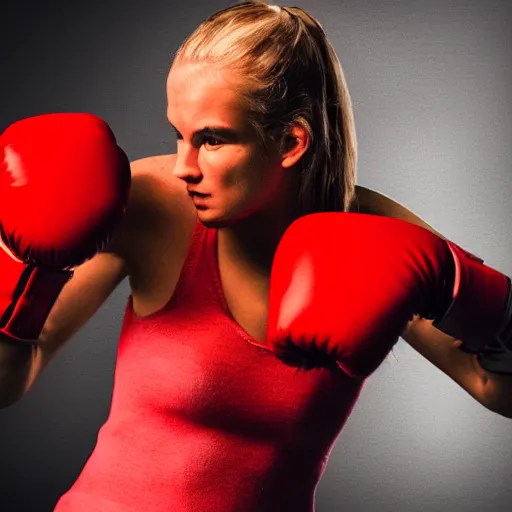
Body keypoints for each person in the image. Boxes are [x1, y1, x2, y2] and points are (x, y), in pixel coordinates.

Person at [1, 2, 511, 511]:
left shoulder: (372, 234)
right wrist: (18, 262)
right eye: (180, 135)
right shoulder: (152, 202)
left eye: (212, 140)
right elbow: (10, 379)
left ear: (291, 141)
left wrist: (476, 299)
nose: (184, 167)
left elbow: (497, 388)